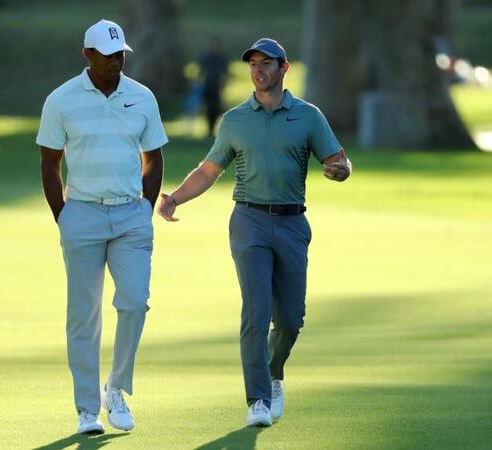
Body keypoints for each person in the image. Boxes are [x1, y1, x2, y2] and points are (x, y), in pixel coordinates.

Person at [157, 38, 352, 427]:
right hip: (249, 221)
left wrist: (341, 170)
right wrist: (175, 198)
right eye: (253, 64)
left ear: (284, 68)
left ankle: (273, 372)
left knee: (292, 319)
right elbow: (209, 170)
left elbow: (339, 160)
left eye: (266, 64)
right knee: (256, 310)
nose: (258, 70)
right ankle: (258, 399)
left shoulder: (309, 116)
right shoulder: (234, 120)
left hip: (293, 223)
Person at [36, 19, 167, 435]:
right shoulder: (61, 100)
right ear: (87, 55)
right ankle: (87, 409)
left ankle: (117, 388)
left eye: (120, 56)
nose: (116, 63)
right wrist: (65, 216)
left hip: (131, 215)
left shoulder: (142, 97)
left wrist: (144, 208)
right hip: (83, 215)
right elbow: (50, 162)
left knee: (134, 302)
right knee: (83, 316)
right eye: (108, 56)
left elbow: (154, 158)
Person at [198, 37, 229, 137]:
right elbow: (200, 73)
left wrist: (223, 85)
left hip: (217, 87)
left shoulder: (222, 58)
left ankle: (213, 129)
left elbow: (225, 73)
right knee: (208, 109)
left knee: (216, 108)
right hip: (207, 86)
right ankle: (209, 130)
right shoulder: (205, 58)